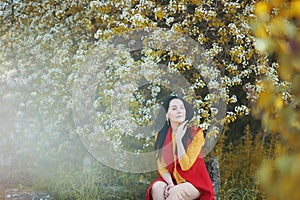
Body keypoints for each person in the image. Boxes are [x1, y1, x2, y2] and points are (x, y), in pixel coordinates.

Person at [146, 95, 214, 200]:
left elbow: (185, 166)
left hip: (195, 183)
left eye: (182, 108)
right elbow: (162, 166)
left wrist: (178, 140)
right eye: (174, 108)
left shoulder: (196, 133)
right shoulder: (160, 135)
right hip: (172, 179)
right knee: (157, 188)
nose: (179, 111)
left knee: (175, 192)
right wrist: (170, 183)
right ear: (167, 115)